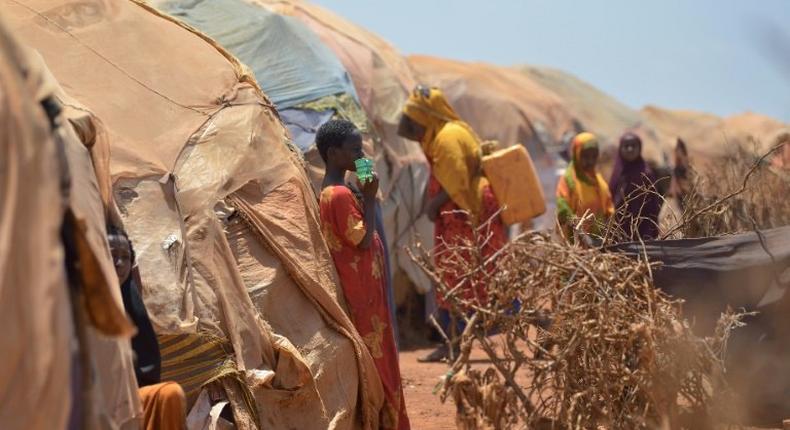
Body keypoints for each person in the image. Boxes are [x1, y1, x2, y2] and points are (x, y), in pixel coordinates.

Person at [397, 86, 506, 363]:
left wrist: (433, 205)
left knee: (456, 278)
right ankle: (455, 342)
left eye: (412, 118)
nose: (406, 123)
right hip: (461, 214)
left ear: (426, 117)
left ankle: (454, 344)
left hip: (464, 215)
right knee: (461, 278)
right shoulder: (447, 133)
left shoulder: (446, 138)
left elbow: (455, 180)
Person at [315, 120, 410, 430]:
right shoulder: (339, 195)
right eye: (355, 150)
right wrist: (369, 197)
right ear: (333, 153)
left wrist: (363, 191)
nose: (361, 155)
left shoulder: (335, 191)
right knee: (380, 363)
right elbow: (363, 239)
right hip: (363, 295)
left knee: (377, 360)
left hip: (363, 289)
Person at [108, 225, 187, 430]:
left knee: (170, 395)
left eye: (125, 257)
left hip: (130, 403)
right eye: (111, 255)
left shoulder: (131, 304)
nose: (119, 263)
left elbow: (145, 373)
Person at [556, 132, 614, 240]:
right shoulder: (568, 181)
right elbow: (562, 208)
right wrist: (578, 229)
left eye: (593, 156)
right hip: (574, 242)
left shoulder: (599, 182)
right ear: (576, 154)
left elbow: (608, 208)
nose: (590, 161)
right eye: (585, 156)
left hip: (598, 243)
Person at [608, 132, 661, 241]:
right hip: (617, 231)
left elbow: (653, 206)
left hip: (642, 231)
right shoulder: (617, 172)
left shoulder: (646, 174)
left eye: (633, 146)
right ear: (620, 148)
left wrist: (649, 232)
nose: (630, 149)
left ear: (639, 148)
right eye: (626, 146)